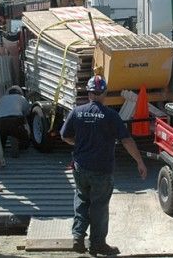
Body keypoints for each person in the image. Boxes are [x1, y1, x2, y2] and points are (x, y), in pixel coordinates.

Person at [60, 75, 148, 256]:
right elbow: (126, 140)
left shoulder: (76, 112)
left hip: (80, 167)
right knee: (99, 206)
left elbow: (64, 136)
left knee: (82, 200)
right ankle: (97, 244)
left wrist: (78, 144)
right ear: (105, 93)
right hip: (102, 169)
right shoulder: (111, 116)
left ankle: (77, 237)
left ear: (89, 92)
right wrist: (139, 162)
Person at [0, 85, 31, 158]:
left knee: (2, 135)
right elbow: (27, 112)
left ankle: (1, 148)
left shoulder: (2, 98)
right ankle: (20, 146)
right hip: (15, 122)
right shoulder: (21, 98)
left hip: (0, 122)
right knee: (24, 138)